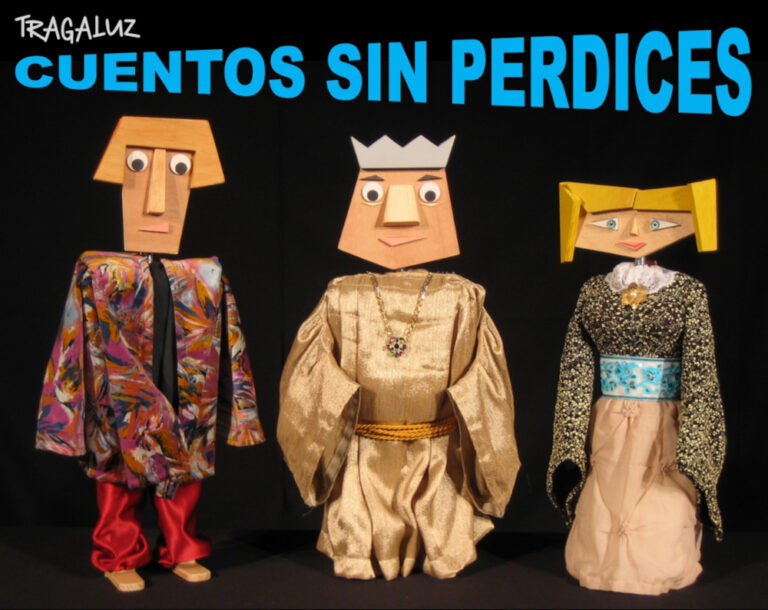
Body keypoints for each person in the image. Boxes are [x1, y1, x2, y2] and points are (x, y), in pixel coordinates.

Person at [37, 117, 265, 592]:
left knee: (183, 471)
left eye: (178, 171)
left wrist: (241, 412)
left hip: (185, 390)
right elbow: (71, 339)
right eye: (140, 168)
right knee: (118, 475)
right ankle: (119, 553)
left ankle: (182, 547)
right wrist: (64, 411)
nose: (158, 199)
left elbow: (232, 343)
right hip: (117, 394)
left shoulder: (205, 274)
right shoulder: (98, 270)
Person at [278, 135, 520, 580]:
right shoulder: (341, 295)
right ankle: (362, 543)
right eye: (375, 194)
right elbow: (308, 382)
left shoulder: (462, 297)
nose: (400, 215)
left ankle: (438, 541)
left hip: (436, 459)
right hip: (364, 456)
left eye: (426, 195)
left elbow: (485, 384)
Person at [547, 179, 725, 595]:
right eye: (613, 223)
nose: (633, 234)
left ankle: (656, 564)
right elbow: (575, 365)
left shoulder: (687, 292)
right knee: (608, 489)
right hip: (610, 415)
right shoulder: (594, 291)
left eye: (653, 223)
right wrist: (570, 432)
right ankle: (601, 563)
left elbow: (701, 366)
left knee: (660, 492)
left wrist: (697, 435)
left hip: (663, 417)